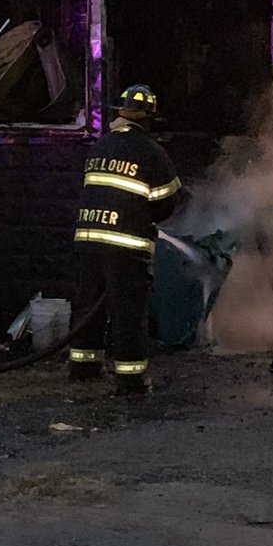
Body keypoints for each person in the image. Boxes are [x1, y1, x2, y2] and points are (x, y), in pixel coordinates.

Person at [69, 84, 181, 395]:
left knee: (87, 304)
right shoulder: (151, 151)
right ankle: (131, 378)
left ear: (121, 113)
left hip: (88, 240)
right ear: (148, 118)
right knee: (128, 312)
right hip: (126, 245)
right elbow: (167, 202)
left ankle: (83, 367)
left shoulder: (100, 145)